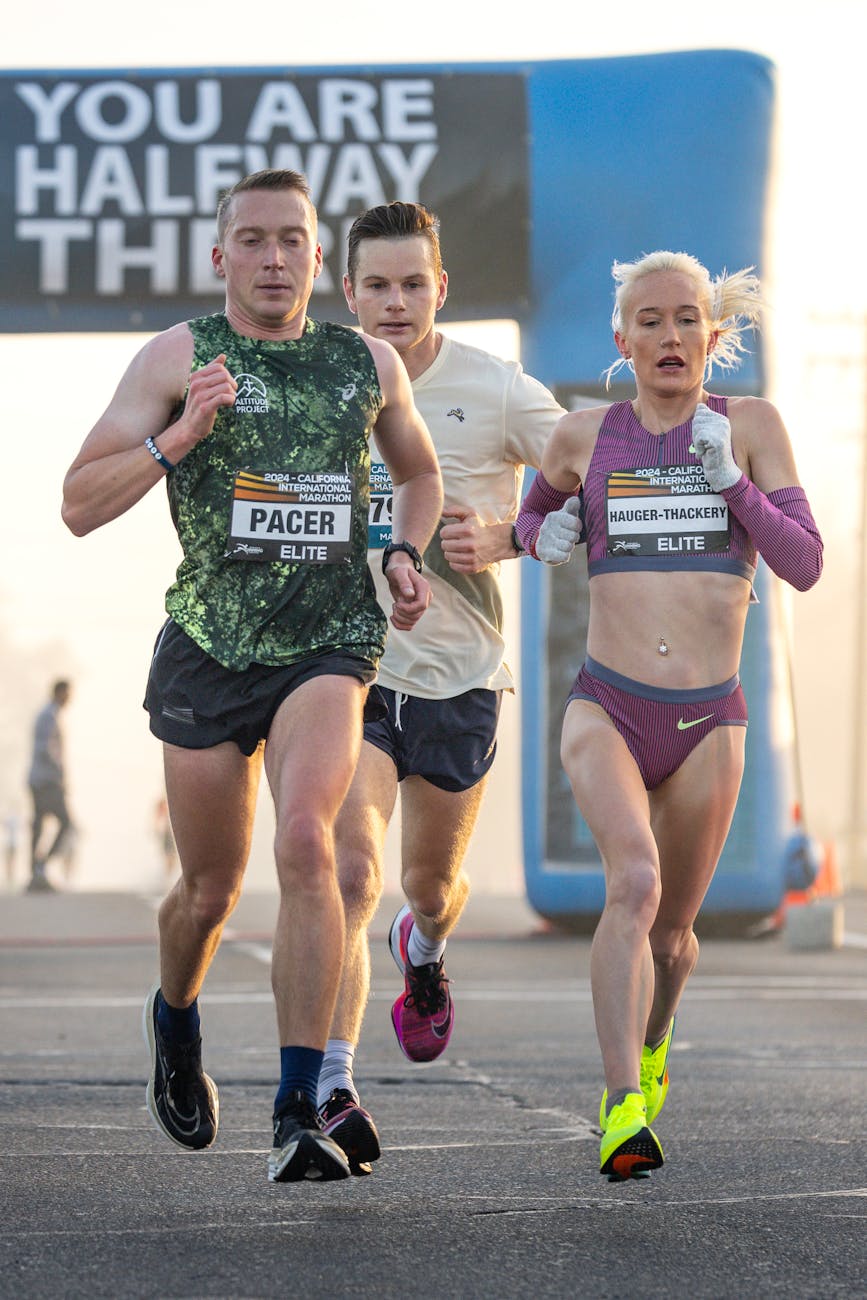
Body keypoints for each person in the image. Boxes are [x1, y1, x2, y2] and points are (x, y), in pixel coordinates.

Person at [60, 169, 443, 1185]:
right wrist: (177, 437)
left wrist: (403, 554)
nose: (274, 259)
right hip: (210, 646)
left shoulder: (365, 363)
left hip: (328, 642)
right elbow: (78, 502)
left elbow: (418, 472)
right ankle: (175, 1018)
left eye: (292, 241)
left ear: (318, 258)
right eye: (254, 240)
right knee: (209, 890)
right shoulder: (179, 356)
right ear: (220, 255)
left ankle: (296, 1106)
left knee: (309, 842)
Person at [515, 250, 823, 1180]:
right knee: (634, 882)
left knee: (674, 940)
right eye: (648, 321)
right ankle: (620, 1107)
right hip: (606, 706)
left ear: (711, 334)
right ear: (622, 340)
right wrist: (541, 532)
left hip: (706, 722)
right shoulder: (581, 437)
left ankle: (653, 1043)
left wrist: (732, 483)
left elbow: (804, 564)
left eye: (686, 318)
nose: (669, 335)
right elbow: (530, 519)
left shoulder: (751, 426)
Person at [315, 201, 566, 1173]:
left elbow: (592, 474)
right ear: (348, 292)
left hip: (459, 677)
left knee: (428, 886)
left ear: (441, 288)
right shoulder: (320, 384)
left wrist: (509, 535)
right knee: (349, 870)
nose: (395, 301)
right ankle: (333, 1085)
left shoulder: (496, 389)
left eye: (412, 283)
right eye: (376, 284)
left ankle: (421, 950)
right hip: (349, 669)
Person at [27, 679, 74, 893]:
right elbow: (45, 748)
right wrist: (59, 773)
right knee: (64, 822)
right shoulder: (48, 715)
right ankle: (40, 866)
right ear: (59, 692)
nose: (70, 698)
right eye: (68, 693)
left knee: (39, 823)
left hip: (42, 778)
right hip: (46, 780)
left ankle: (37, 871)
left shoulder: (51, 714)